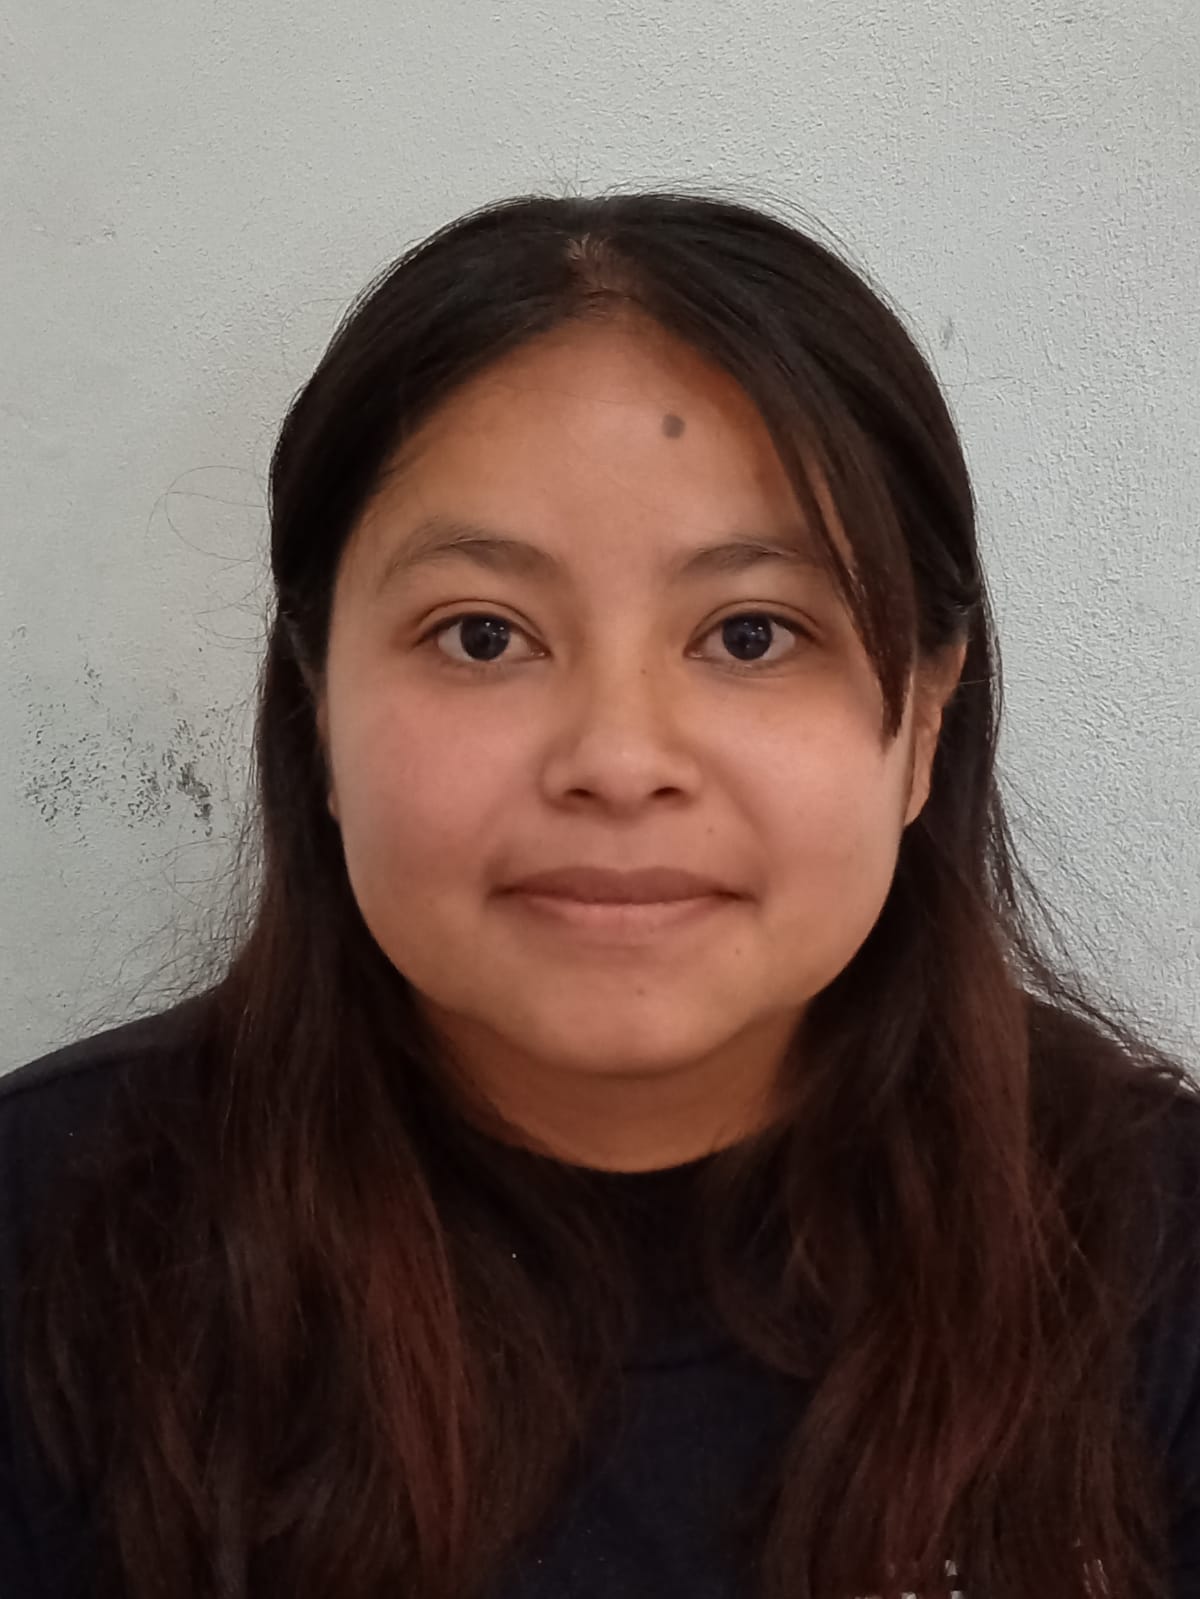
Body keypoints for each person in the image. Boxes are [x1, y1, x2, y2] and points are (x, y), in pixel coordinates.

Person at [1, 190, 1198, 1599]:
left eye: (751, 635)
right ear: (317, 707)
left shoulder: (1159, 1251)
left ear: (925, 721)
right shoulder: (45, 1238)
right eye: (483, 634)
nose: (620, 762)